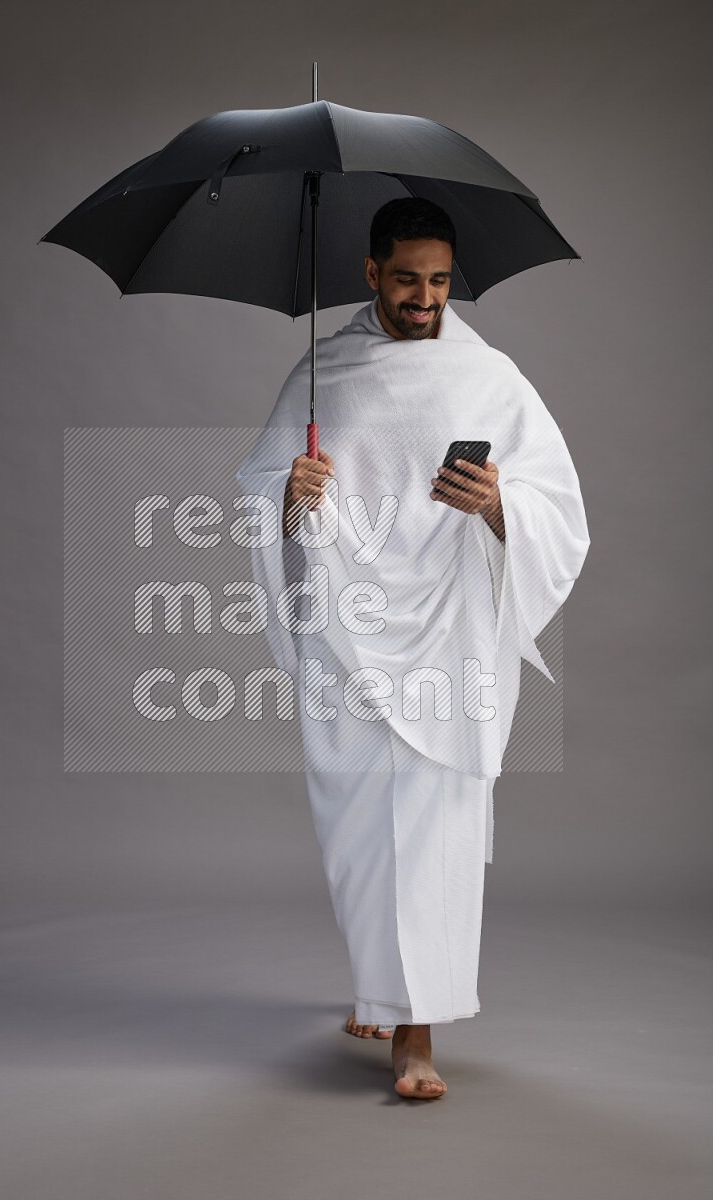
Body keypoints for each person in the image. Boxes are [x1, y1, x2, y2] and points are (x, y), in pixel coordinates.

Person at [235, 197, 590, 1100]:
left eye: (438, 280)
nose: (424, 297)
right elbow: (261, 503)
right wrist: (293, 492)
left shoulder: (491, 379)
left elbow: (561, 513)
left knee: (431, 831)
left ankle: (415, 1034)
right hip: (345, 640)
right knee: (357, 831)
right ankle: (379, 988)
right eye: (406, 279)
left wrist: (498, 505)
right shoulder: (326, 372)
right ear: (370, 273)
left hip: (450, 637)